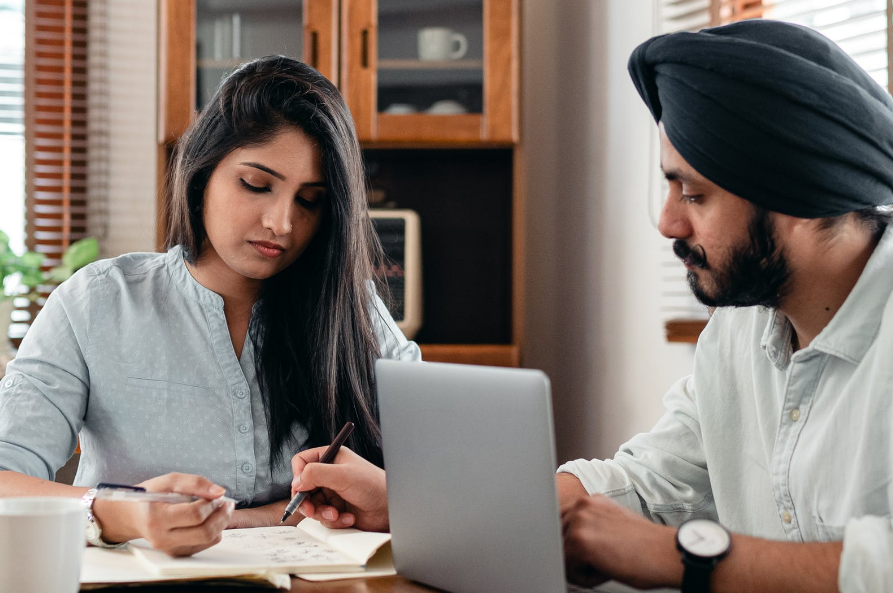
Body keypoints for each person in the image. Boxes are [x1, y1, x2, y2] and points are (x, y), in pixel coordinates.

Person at [288, 21, 893, 593]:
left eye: (695, 194)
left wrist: (674, 557)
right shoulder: (739, 331)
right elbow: (648, 483)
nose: (667, 221)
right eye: (669, 185)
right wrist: (417, 506)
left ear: (802, 195)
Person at [0, 55, 420, 557]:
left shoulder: (355, 313)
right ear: (203, 173)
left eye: (309, 200)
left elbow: (455, 476)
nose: (282, 223)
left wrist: (395, 500)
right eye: (256, 185)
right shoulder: (99, 302)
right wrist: (117, 511)